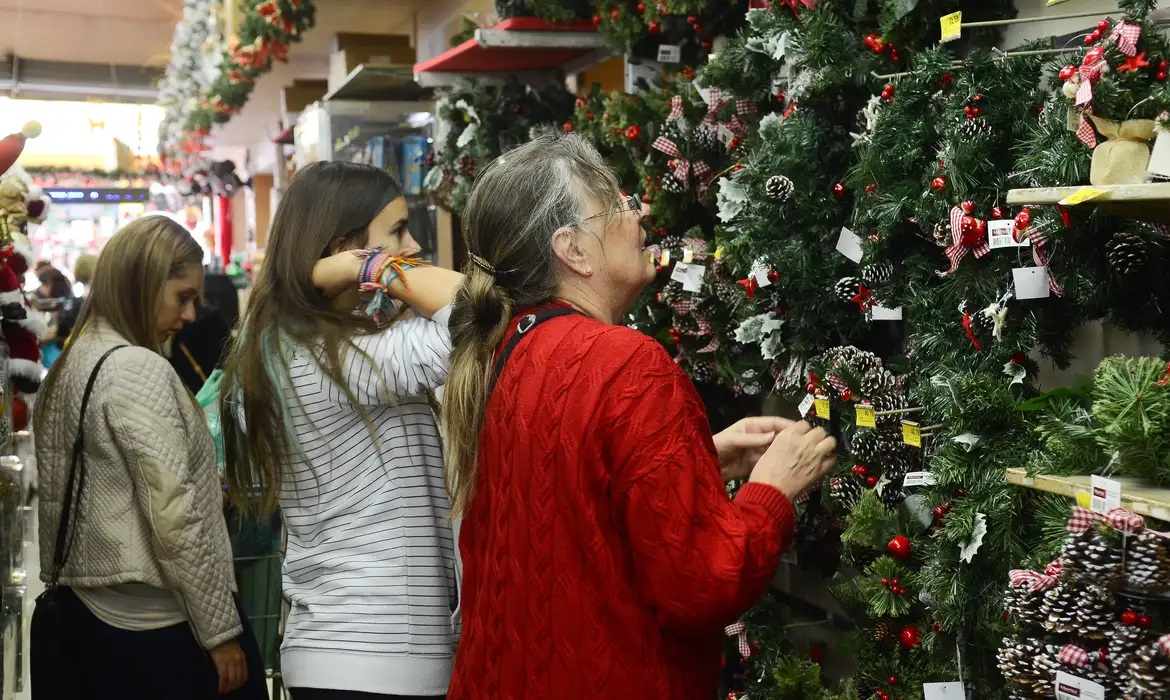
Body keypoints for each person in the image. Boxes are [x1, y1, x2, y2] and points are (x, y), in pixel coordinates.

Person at [440, 133, 838, 699]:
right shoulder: (627, 365)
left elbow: (572, 500)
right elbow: (702, 582)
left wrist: (695, 459)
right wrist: (772, 489)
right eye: (619, 203)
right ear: (572, 250)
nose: (640, 211)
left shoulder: (502, 351)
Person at [221, 161, 463, 700]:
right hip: (380, 654)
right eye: (397, 231)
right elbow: (476, 312)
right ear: (344, 248)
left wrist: (332, 273)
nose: (414, 245)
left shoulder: (285, 346)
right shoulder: (336, 358)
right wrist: (374, 267)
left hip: (339, 649)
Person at [33, 215, 267, 699]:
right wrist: (221, 632)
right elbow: (175, 517)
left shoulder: (75, 361)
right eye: (182, 297)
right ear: (140, 282)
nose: (189, 315)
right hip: (160, 624)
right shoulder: (137, 368)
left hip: (92, 613)